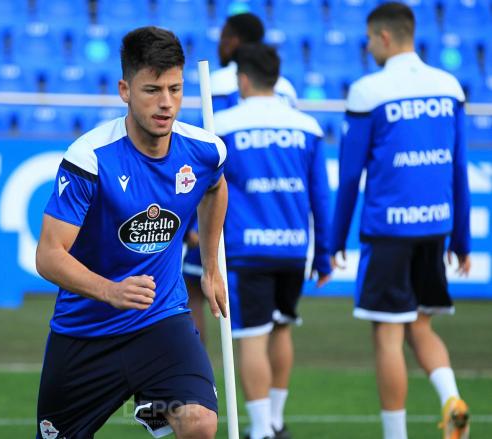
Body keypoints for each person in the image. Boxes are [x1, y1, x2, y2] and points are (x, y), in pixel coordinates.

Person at [35, 26, 228, 439]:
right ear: (125, 90)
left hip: (161, 321)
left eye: (175, 89)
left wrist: (211, 267)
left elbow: (215, 187)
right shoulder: (90, 158)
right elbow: (49, 255)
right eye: (152, 90)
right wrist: (111, 292)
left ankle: (155, 399)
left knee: (200, 423)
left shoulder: (205, 151)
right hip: (86, 332)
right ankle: (150, 401)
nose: (166, 104)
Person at [330, 3, 471, 439]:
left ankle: (396, 436)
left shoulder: (368, 91)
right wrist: (461, 239)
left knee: (388, 336)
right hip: (435, 227)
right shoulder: (448, 87)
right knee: (420, 325)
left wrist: (335, 239)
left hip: (388, 231)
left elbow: (351, 175)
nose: (368, 46)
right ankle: (452, 399)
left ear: (385, 37)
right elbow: (457, 168)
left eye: (370, 39)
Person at [214, 43, 332, 439]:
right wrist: (326, 253)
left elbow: (210, 188)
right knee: (282, 329)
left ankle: (261, 430)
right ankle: (277, 422)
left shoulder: (224, 126)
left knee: (251, 337)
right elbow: (321, 194)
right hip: (293, 248)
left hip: (248, 249)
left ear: (242, 79)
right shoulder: (307, 127)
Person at [182, 11, 299, 342]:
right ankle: (275, 397)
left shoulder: (217, 84)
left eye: (223, 38)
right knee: (277, 320)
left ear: (233, 41)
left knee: (193, 289)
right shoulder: (285, 89)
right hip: (268, 211)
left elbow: (204, 154)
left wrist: (192, 222)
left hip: (220, 200)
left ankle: (194, 381)